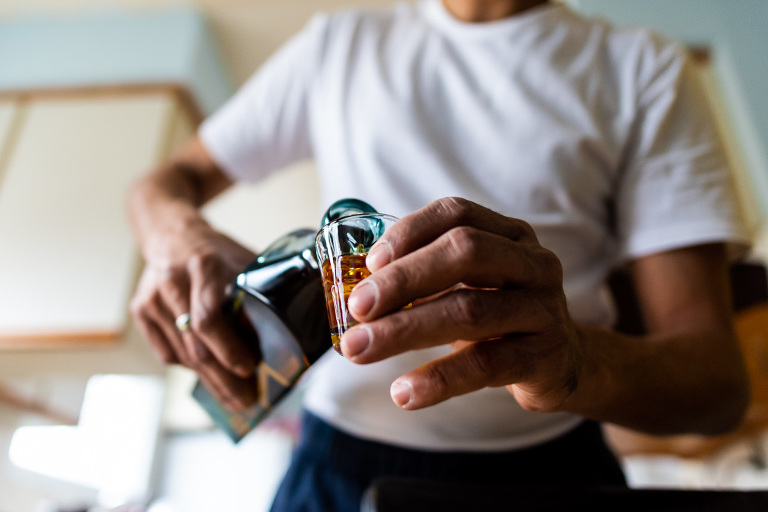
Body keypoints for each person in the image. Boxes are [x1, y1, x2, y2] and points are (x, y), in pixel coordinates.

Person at [128, 0, 752, 510]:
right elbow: (162, 183)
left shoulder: (645, 71)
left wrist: (574, 357)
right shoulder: (338, 46)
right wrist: (176, 237)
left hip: (553, 469)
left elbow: (716, 387)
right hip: (335, 469)